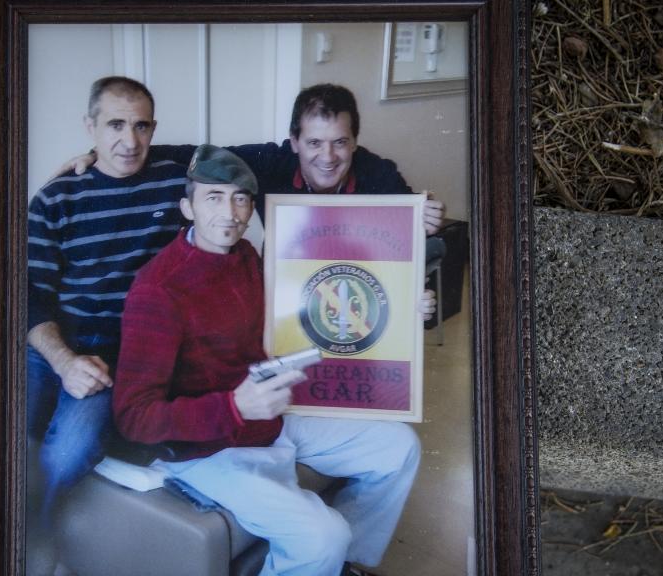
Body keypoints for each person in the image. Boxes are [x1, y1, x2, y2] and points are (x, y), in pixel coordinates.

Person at [113, 145, 433, 576]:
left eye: (240, 198)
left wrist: (402, 306)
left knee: (399, 449)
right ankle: (325, 555)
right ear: (187, 207)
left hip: (272, 416)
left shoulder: (245, 254)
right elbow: (134, 418)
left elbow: (310, 307)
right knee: (322, 535)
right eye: (213, 198)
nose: (229, 212)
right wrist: (233, 407)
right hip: (206, 449)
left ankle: (343, 564)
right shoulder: (158, 290)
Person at [25, 76, 188, 555]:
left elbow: (261, 161)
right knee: (4, 432)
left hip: (122, 350)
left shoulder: (177, 184)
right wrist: (62, 362)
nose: (129, 140)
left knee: (67, 450)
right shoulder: (56, 198)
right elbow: (30, 296)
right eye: (115, 125)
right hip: (54, 339)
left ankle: (30, 540)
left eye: (141, 126)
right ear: (90, 128)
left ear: (154, 129)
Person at [60, 83, 447, 236]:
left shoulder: (380, 174)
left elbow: (414, 242)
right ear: (293, 141)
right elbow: (193, 155)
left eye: (340, 143)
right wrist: (102, 153)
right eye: (314, 142)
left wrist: (426, 223)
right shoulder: (267, 162)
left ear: (355, 142)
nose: (327, 157)